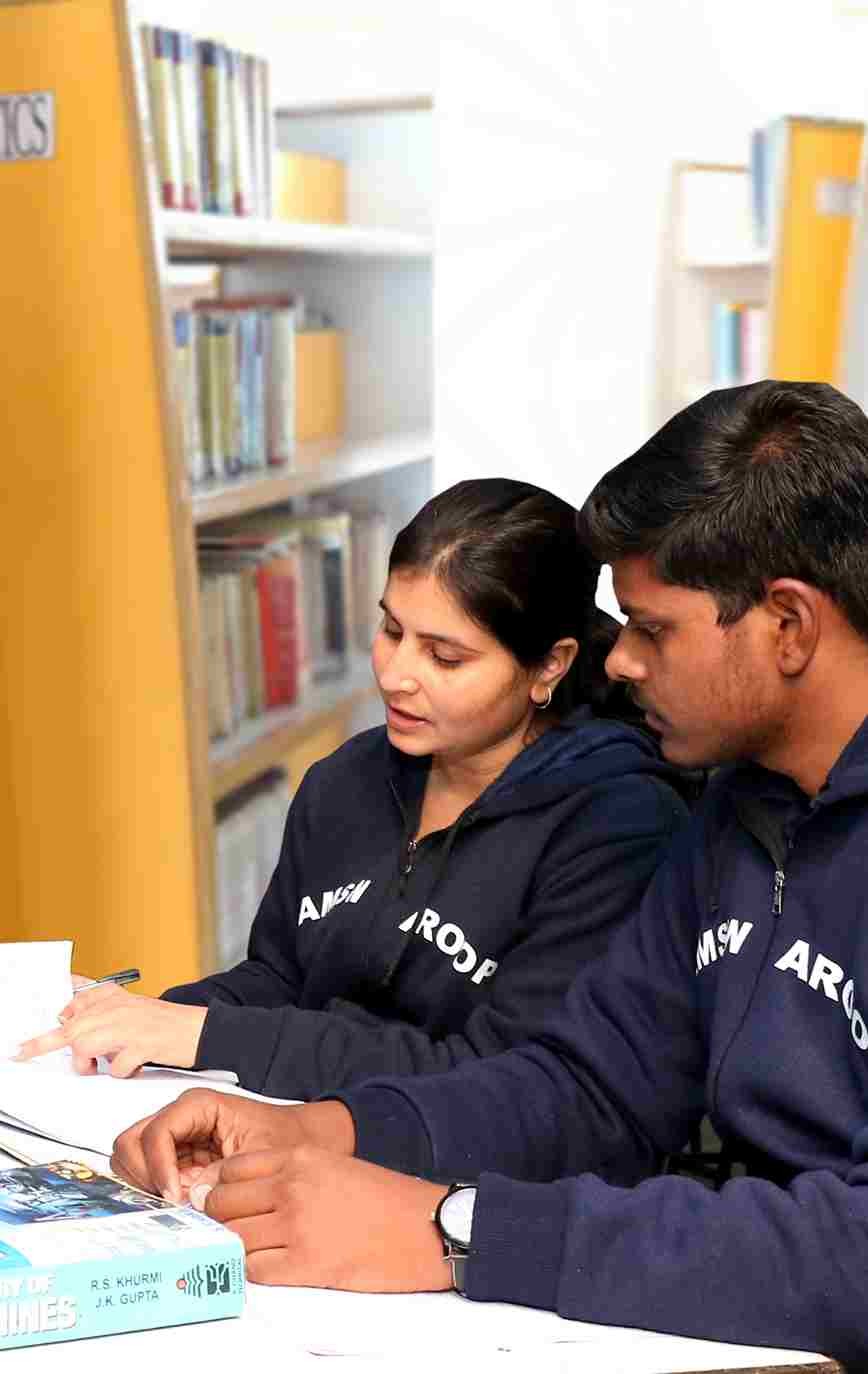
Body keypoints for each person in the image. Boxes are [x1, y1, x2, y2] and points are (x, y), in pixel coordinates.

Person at [113, 380, 868, 1369]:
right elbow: (589, 1087)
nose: (621, 664)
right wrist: (324, 1133)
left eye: (653, 628)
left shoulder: (653, 806)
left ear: (789, 626)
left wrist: (454, 1229)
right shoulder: (736, 805)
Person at [19, 478, 689, 1098]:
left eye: (445, 656)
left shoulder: (616, 824)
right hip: (300, 1133)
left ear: (549, 666)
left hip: (455, 1170)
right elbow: (281, 979)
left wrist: (208, 1035)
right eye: (392, 630)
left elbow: (501, 1078)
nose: (395, 675)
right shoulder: (345, 781)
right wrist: (144, 1018)